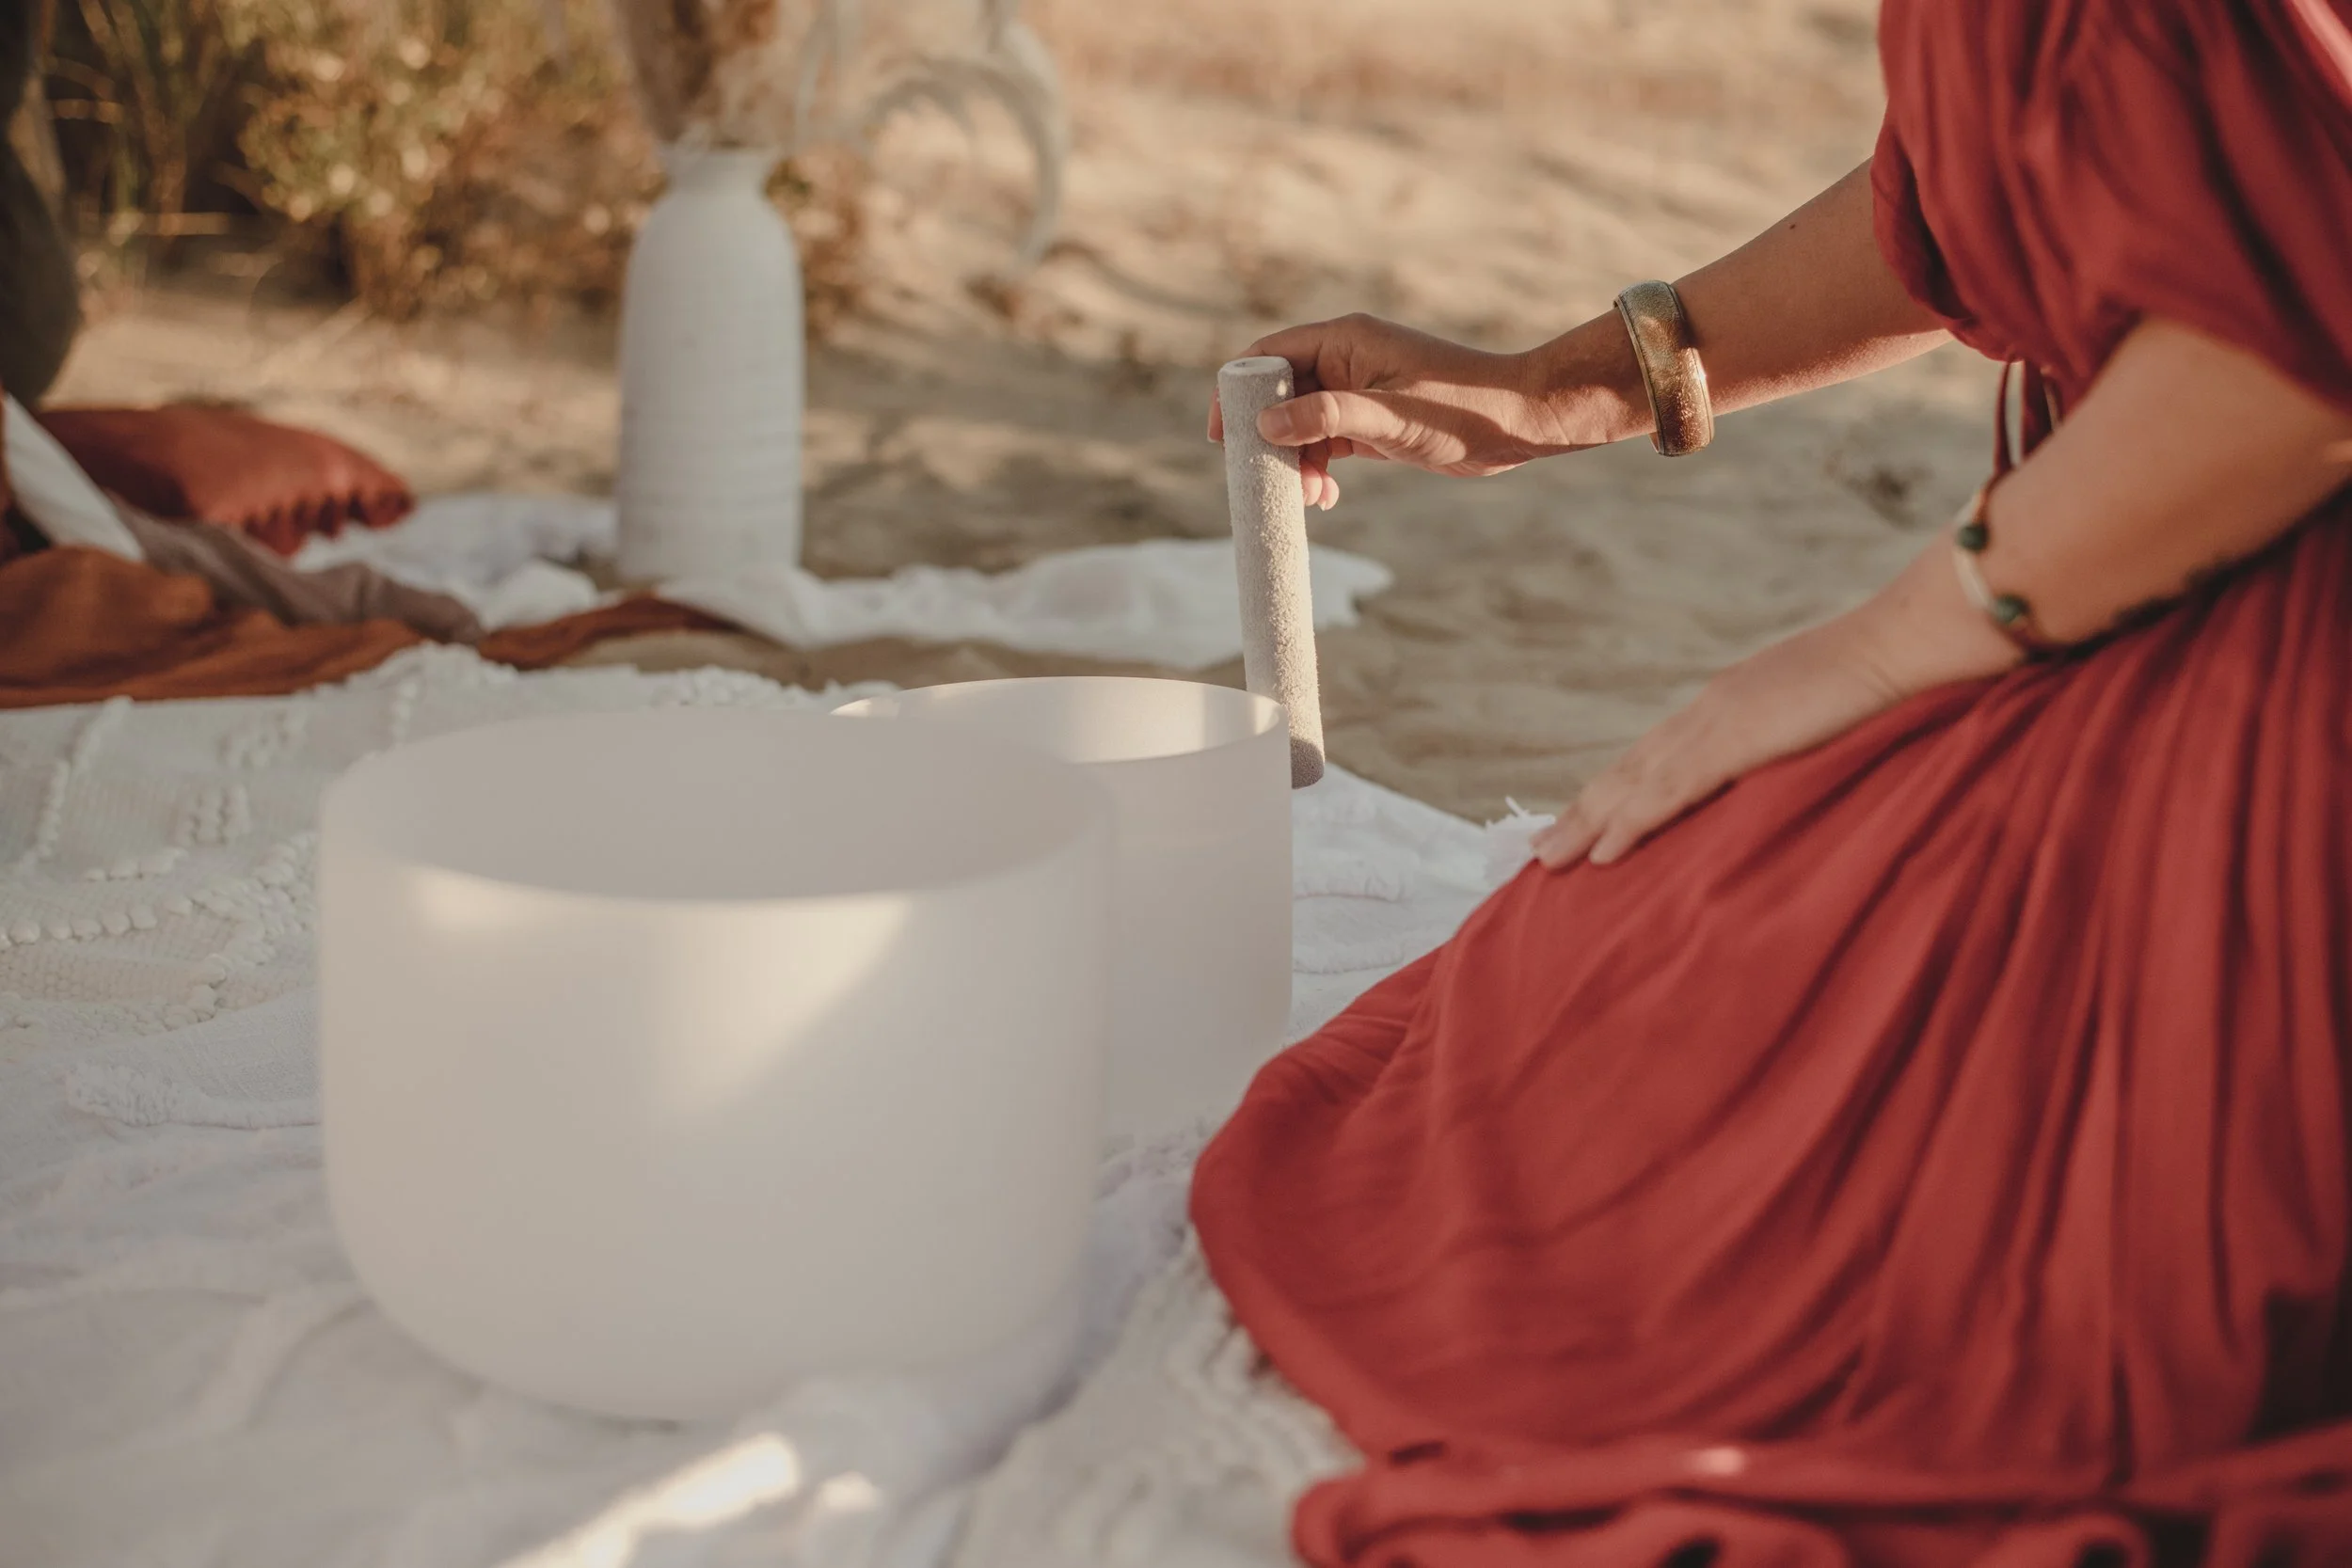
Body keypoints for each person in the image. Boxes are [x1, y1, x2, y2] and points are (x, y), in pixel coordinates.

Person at [1194, 1, 2352, 1563]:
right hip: (2154, 563)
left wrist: (1879, 656)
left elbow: (2283, 363)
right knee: (1601, 972)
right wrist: (1560, 388)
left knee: (1666, 1072)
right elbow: (1994, 180)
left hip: (2272, 650)